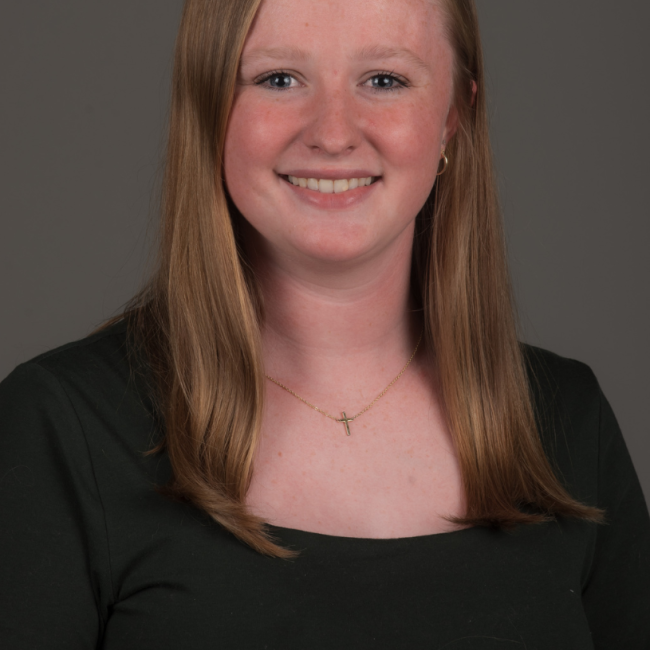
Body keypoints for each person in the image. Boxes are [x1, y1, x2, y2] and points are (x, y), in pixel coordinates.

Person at [1, 0, 648, 647]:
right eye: (279, 79)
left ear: (455, 115)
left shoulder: (568, 424)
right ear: (209, 106)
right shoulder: (61, 428)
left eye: (384, 80)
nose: (333, 133)